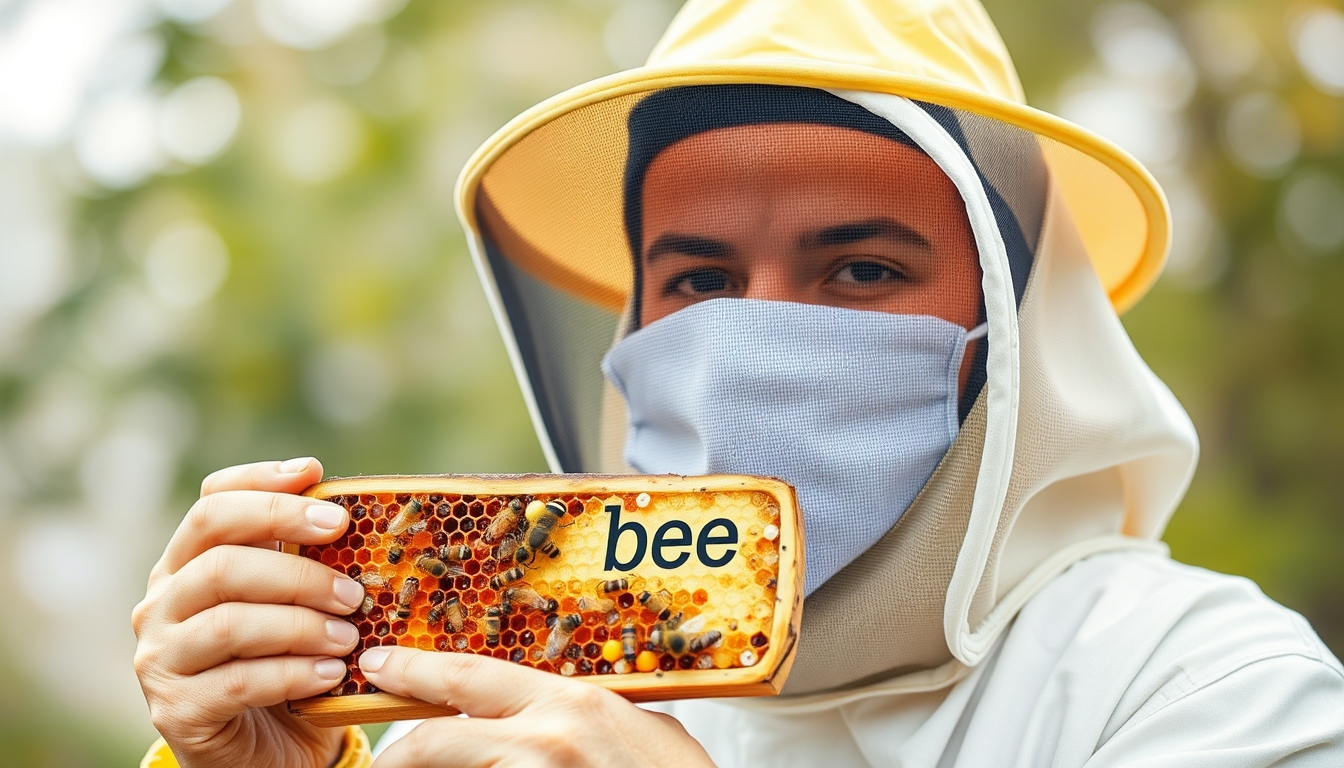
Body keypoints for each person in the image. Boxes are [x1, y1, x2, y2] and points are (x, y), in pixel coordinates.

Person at [134, 0, 1344, 766]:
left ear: (1010, 333)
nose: (756, 337)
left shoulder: (1201, 685)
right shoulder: (499, 693)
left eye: (862, 266)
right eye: (703, 280)